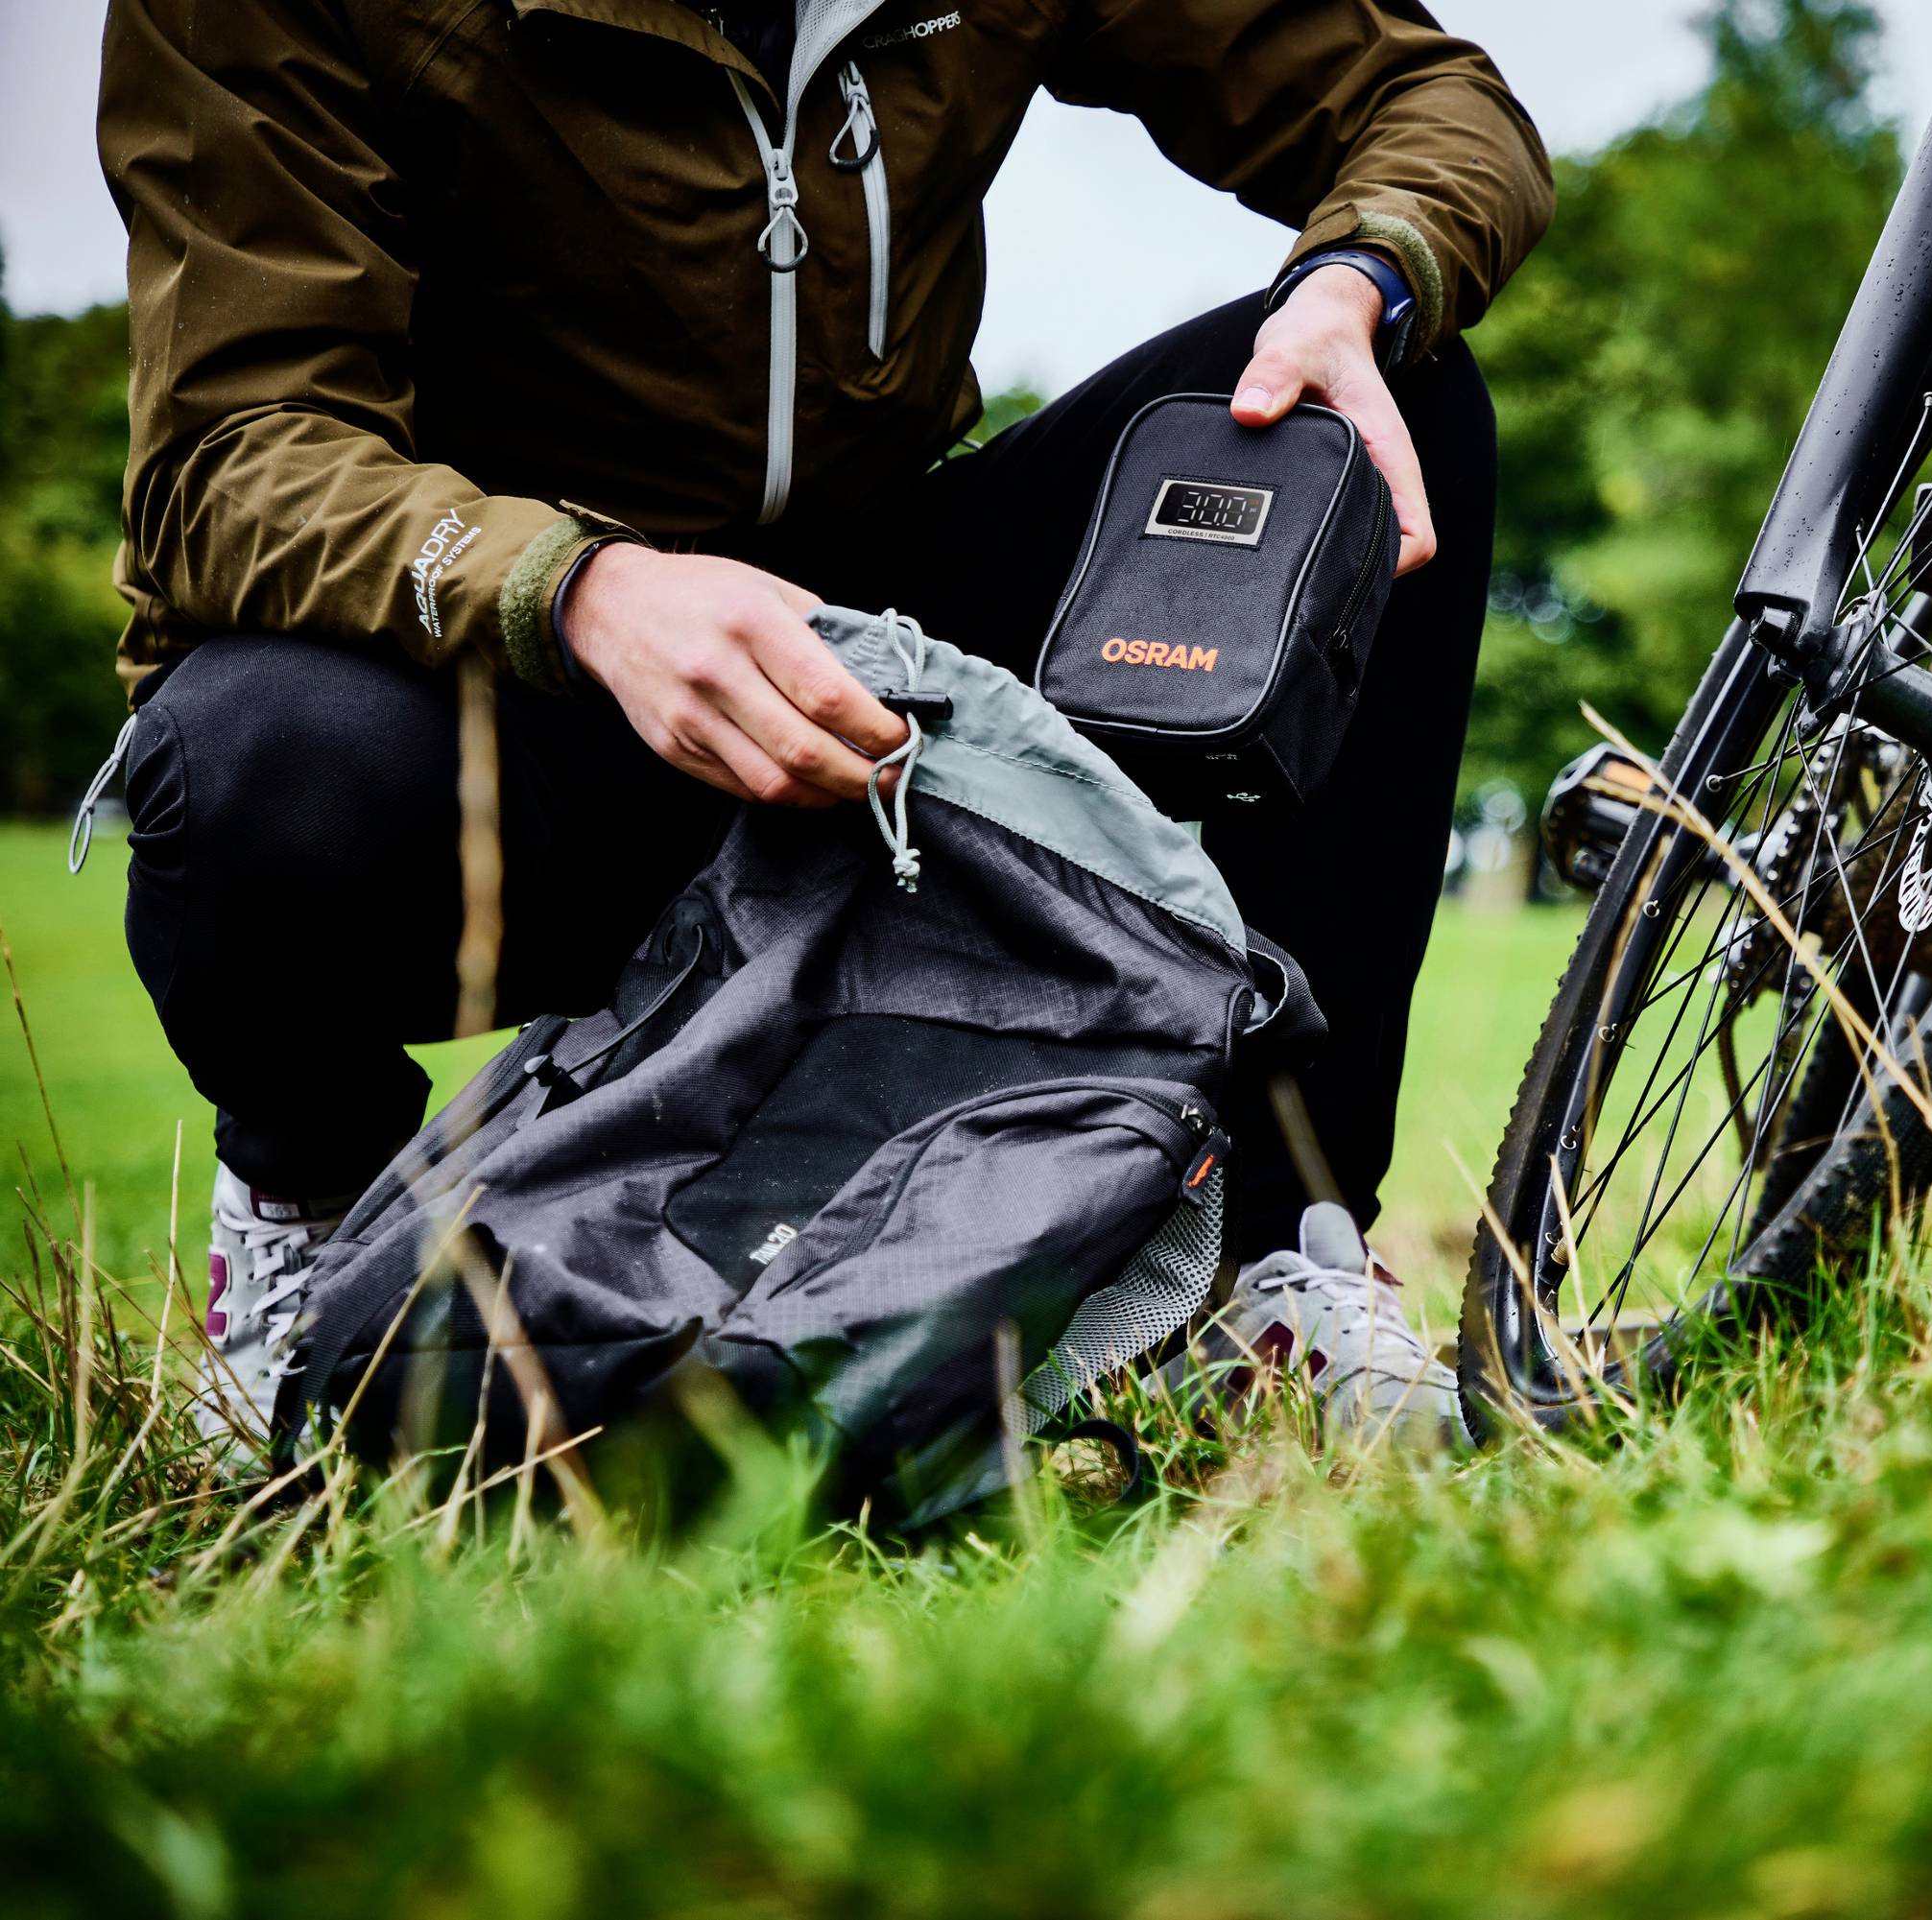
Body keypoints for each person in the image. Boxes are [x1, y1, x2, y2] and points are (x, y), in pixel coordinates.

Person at [92, 0, 1552, 1452]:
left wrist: (1362, 277)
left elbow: (1424, 97)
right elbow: (232, 450)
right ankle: (318, 1232)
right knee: (252, 756)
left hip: (888, 680)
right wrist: (577, 586)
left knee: (1368, 414)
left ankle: (1258, 1260)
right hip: (512, 689)